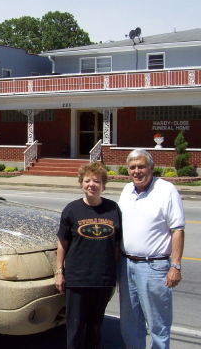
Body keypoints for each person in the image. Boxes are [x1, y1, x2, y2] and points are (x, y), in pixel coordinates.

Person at [118, 149, 185, 349]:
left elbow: (177, 230)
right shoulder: (127, 190)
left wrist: (175, 266)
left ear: (151, 168)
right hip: (126, 264)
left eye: (141, 166)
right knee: (130, 322)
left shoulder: (166, 190)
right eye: (132, 167)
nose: (137, 171)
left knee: (158, 324)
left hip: (154, 267)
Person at [55, 162, 121, 349]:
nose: (91, 184)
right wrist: (59, 272)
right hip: (77, 279)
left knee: (95, 327)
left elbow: (117, 244)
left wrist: (115, 273)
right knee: (75, 328)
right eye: (87, 180)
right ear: (81, 183)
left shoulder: (113, 209)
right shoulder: (72, 209)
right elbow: (62, 243)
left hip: (103, 279)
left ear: (103, 185)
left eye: (97, 181)